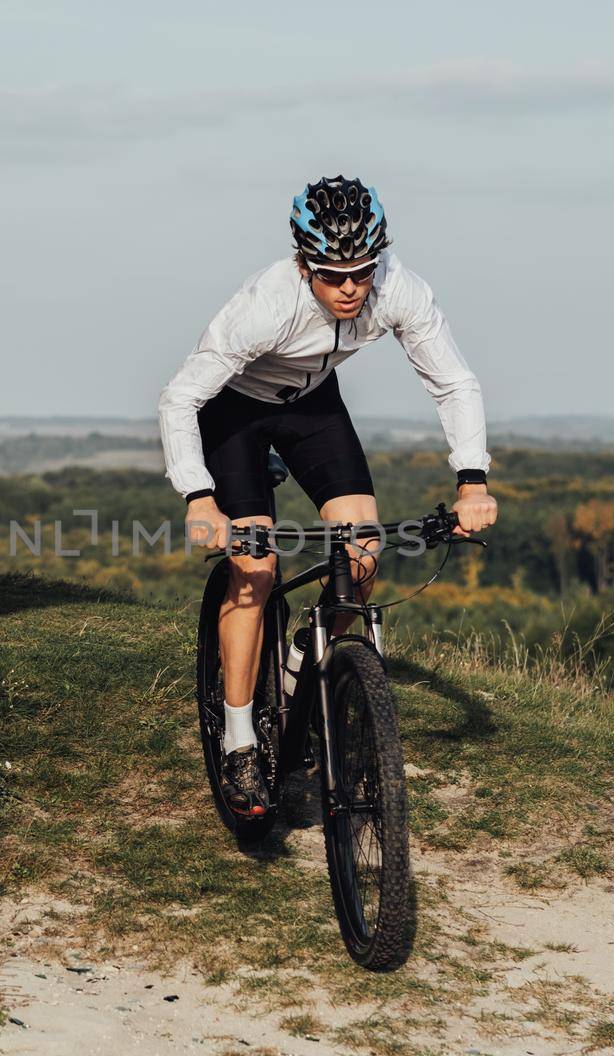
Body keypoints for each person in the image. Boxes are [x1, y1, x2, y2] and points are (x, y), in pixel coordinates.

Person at [157, 175, 498, 818]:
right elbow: (180, 397)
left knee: (362, 555)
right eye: (332, 274)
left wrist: (472, 479)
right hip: (235, 413)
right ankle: (238, 743)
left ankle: (298, 668)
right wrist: (199, 498)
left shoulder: (400, 289)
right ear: (303, 263)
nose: (349, 288)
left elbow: (453, 381)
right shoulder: (266, 305)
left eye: (361, 273)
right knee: (255, 569)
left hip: (313, 408)